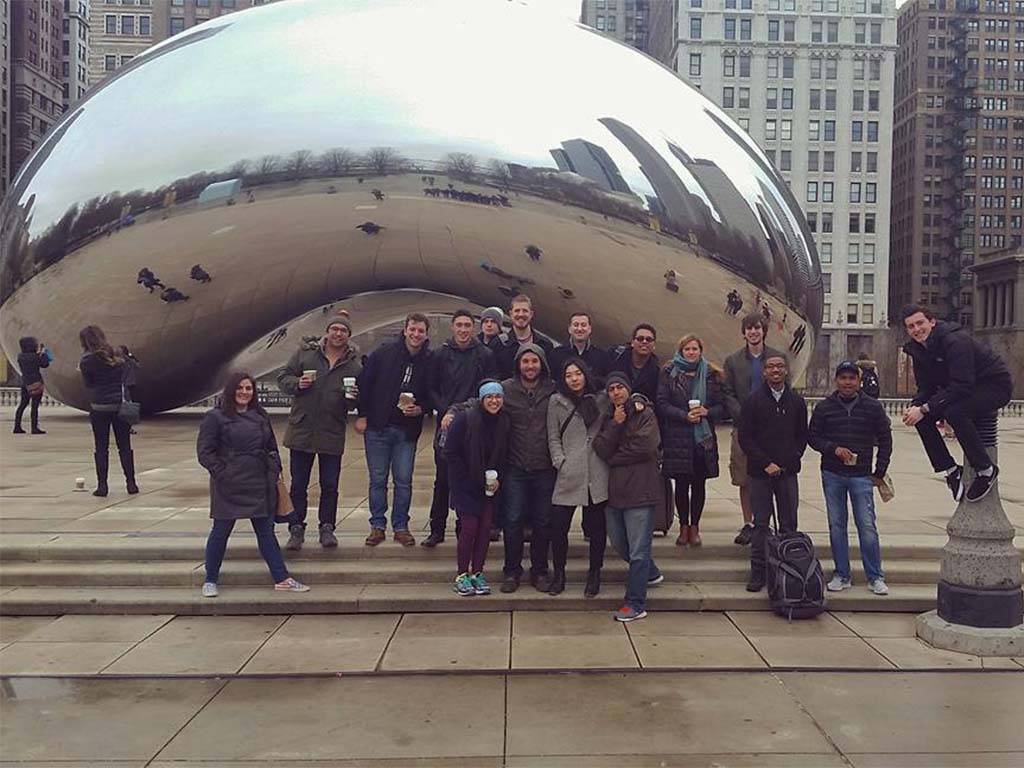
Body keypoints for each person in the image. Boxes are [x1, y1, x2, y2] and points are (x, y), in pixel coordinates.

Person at [448, 344, 556, 592]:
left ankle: (539, 570)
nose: (530, 366)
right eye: (525, 361)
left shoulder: (552, 390)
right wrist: (452, 410)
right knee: (513, 520)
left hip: (543, 466)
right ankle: (512, 571)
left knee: (542, 522)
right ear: (518, 364)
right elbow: (478, 402)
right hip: (515, 467)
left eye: (535, 361)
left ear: (542, 364)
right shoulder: (506, 389)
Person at [196, 372, 309, 597]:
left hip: (259, 481)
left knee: (266, 532)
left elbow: (271, 446)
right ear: (230, 390)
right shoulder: (215, 417)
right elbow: (205, 452)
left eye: (248, 389)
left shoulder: (260, 415)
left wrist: (273, 468)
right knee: (220, 531)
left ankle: (281, 578)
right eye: (240, 388)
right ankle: (210, 579)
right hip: (229, 483)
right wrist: (223, 473)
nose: (244, 393)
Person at [900, 305, 1013, 503]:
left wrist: (926, 408)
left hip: (994, 385)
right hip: (963, 388)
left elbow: (962, 385)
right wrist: (915, 407)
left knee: (955, 412)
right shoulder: (918, 350)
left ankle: (985, 469)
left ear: (932, 322)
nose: (916, 329)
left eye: (920, 323)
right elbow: (925, 387)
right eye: (911, 326)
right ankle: (952, 471)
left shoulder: (954, 341)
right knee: (922, 420)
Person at [276, 313, 362, 550]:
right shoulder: (305, 355)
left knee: (330, 485)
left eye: (343, 330)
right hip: (302, 429)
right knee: (299, 484)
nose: (338, 333)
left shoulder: (354, 366)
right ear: (327, 331)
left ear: (348, 335)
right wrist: (298, 384)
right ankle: (296, 527)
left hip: (331, 431)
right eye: (334, 329)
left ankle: (327, 527)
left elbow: (355, 402)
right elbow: (282, 378)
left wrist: (352, 399)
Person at [808, 361, 893, 596]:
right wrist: (833, 448)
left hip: (862, 475)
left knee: (866, 525)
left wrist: (880, 470)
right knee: (837, 525)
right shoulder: (825, 408)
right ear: (836, 380)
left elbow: (885, 438)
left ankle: (875, 576)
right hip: (833, 473)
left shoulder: (872, 407)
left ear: (859, 381)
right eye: (843, 378)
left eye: (852, 378)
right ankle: (841, 573)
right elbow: (813, 437)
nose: (847, 382)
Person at [422, 309, 498, 548]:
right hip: (446, 424)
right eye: (459, 325)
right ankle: (436, 529)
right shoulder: (440, 354)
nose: (463, 330)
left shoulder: (485, 355)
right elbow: (430, 387)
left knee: (469, 477)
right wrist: (445, 410)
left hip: (474, 423)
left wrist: (465, 409)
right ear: (452, 327)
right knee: (443, 478)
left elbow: (488, 387)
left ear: (473, 328)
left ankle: (462, 527)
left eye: (467, 325)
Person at [356, 313, 432, 546]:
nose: (416, 334)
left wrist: (422, 409)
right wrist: (362, 416)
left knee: (403, 480)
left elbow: (434, 392)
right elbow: (364, 384)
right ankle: (377, 525)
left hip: (406, 432)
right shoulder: (384, 353)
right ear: (405, 330)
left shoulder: (430, 360)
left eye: (420, 331)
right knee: (378, 479)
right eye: (413, 329)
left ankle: (401, 526)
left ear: (426, 334)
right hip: (378, 428)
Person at [593, 372, 664, 622]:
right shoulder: (609, 417)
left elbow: (646, 446)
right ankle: (652, 573)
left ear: (628, 389)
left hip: (641, 491)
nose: (616, 392)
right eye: (611, 389)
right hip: (616, 492)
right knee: (620, 544)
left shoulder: (645, 412)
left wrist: (615, 457)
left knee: (637, 551)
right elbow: (600, 447)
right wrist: (616, 424)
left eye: (620, 387)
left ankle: (635, 603)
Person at [738, 353, 807, 592]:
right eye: (770, 366)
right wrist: (765, 463)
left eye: (779, 366)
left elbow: (801, 436)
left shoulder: (796, 402)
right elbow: (745, 437)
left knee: (789, 523)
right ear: (764, 372)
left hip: (787, 473)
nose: (775, 370)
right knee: (761, 524)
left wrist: (790, 460)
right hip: (759, 473)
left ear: (786, 370)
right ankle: (758, 572)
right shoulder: (753, 401)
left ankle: (789, 571)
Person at [722, 312, 784, 546]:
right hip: (743, 428)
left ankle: (766, 522)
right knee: (744, 478)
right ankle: (749, 523)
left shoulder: (777, 357)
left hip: (771, 428)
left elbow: (783, 389)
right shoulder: (733, 361)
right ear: (744, 332)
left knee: (771, 475)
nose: (753, 332)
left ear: (763, 331)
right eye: (749, 328)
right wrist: (742, 416)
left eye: (757, 328)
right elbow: (727, 392)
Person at [548, 359, 609, 597]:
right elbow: (552, 435)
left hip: (596, 469)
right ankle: (559, 573)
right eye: (568, 375)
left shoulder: (601, 398)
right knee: (559, 526)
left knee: (596, 528)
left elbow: (625, 395)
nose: (574, 379)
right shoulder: (556, 401)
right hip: (569, 470)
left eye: (578, 374)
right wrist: (559, 461)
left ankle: (595, 573)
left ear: (585, 375)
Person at [657, 334, 725, 548]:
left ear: (700, 351)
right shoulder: (669, 372)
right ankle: (683, 526)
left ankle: (695, 526)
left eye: (695, 349)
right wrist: (683, 416)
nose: (691, 352)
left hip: (702, 439)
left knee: (698, 485)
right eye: (687, 349)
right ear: (681, 351)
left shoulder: (712, 374)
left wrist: (707, 411)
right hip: (678, 437)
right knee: (681, 485)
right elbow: (662, 402)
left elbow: (723, 406)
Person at [444, 381, 511, 596]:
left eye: (498, 397)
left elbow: (504, 453)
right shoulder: (465, 419)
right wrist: (464, 480)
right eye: (489, 397)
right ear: (481, 399)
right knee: (469, 529)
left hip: (489, 484)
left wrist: (498, 478)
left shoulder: (504, 421)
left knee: (485, 530)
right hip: (466, 483)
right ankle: (462, 573)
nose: (494, 401)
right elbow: (451, 452)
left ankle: (478, 572)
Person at [78, 325, 139, 497]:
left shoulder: (87, 361)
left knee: (101, 447)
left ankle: (102, 486)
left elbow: (89, 384)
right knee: (125, 446)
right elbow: (130, 372)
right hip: (120, 405)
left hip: (100, 406)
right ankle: (131, 483)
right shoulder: (118, 356)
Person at [494, 294, 554, 379]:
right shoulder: (498, 344)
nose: (521, 314)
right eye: (517, 311)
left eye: (525, 311)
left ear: (531, 314)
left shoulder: (545, 344)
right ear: (511, 314)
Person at [548, 312, 612, 385]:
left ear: (590, 329)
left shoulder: (602, 356)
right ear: (569, 329)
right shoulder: (556, 354)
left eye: (583, 325)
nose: (579, 329)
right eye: (576, 325)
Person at [608, 323, 660, 405]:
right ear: (632, 342)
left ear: (654, 346)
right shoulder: (615, 357)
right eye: (640, 338)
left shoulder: (657, 373)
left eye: (649, 339)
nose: (644, 342)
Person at [13, 336, 50, 435]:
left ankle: (17, 426)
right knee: (34, 406)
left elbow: (31, 359)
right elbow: (45, 364)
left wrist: (39, 354)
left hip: (25, 382)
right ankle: (34, 428)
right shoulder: (35, 357)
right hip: (36, 383)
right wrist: (44, 354)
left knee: (22, 405)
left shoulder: (20, 356)